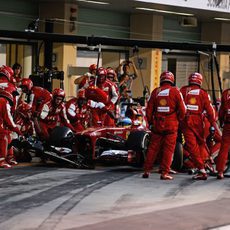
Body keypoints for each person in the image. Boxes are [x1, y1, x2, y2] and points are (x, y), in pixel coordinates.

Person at [142, 71, 186, 180]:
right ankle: (165, 172)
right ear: (172, 80)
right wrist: (178, 119)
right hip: (171, 125)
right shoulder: (176, 91)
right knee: (169, 149)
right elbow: (183, 110)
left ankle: (147, 170)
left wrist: (151, 122)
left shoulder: (155, 92)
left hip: (158, 124)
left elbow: (148, 110)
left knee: (153, 148)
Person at [180, 72, 216, 180]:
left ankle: (201, 169)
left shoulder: (182, 90)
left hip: (186, 120)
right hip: (199, 121)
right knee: (200, 142)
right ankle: (205, 162)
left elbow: (177, 106)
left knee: (192, 146)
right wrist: (213, 122)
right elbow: (211, 111)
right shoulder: (203, 93)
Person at [0, 84, 23, 168]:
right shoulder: (4, 101)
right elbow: (8, 120)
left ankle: (9, 157)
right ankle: (1, 160)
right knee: (4, 136)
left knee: (7, 133)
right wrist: (18, 131)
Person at [216, 88, 230, 179]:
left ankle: (220, 171)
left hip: (228, 124)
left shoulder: (226, 93)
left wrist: (221, 123)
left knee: (224, 148)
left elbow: (221, 112)